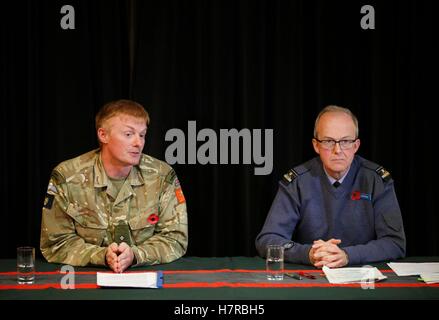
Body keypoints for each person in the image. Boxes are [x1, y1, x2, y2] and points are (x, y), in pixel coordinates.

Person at [40, 99, 188, 273]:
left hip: (145, 278)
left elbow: (175, 238)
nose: (138, 143)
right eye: (128, 134)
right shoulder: (67, 177)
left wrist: (136, 255)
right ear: (103, 135)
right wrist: (101, 256)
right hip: (86, 280)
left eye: (142, 135)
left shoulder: (161, 176)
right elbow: (55, 243)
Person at [255, 105, 406, 268]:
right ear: (316, 145)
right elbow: (268, 239)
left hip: (363, 275)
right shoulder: (298, 182)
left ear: (356, 145)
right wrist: (309, 254)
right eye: (328, 141)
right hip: (312, 275)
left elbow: (395, 243)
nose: (337, 150)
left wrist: (348, 255)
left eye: (346, 141)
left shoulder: (376, 180)